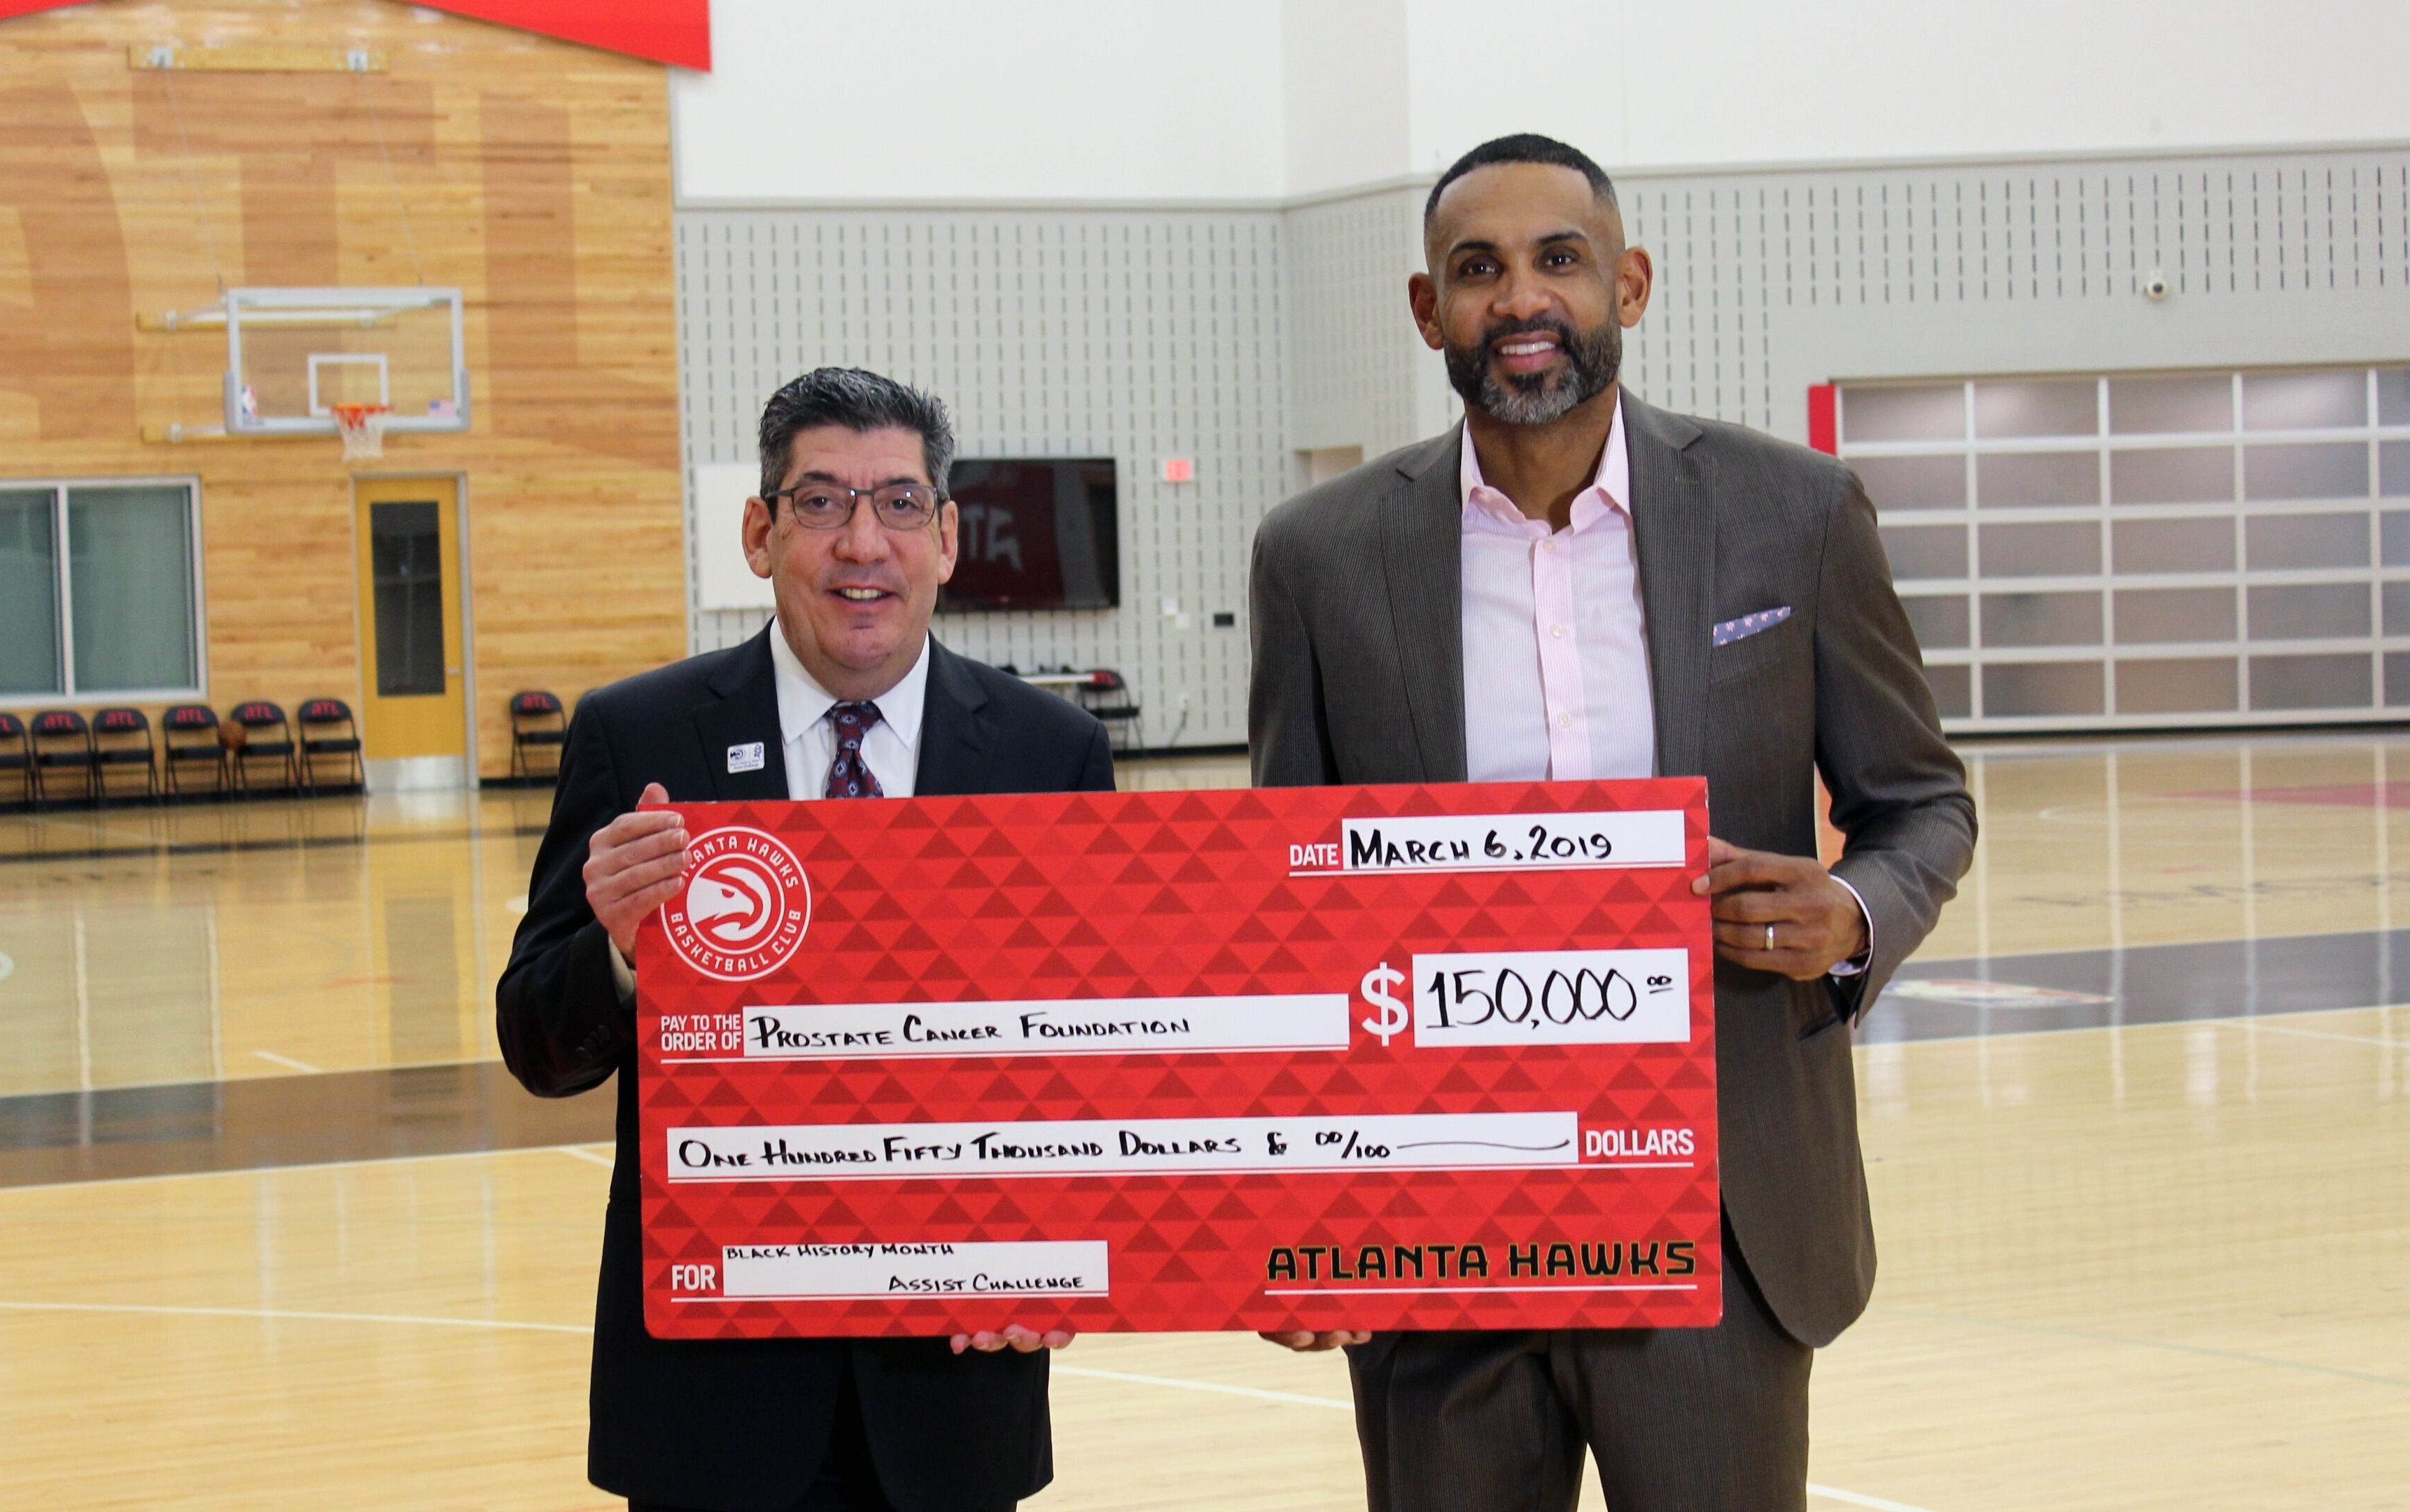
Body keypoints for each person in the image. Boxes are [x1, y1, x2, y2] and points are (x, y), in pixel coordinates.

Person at [1247, 134, 1976, 1511]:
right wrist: (1295, 1203)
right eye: (1480, 270)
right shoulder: (1321, 555)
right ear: (1429, 311)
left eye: (1559, 260)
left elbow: (1922, 802)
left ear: (1627, 284)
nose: (1522, 298)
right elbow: (1289, 904)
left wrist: (1854, 913)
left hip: (1716, 1206)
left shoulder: (1794, 512)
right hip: (1432, 1215)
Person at [500, 367, 1113, 1512]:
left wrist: (1073, 1247)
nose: (860, 543)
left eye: (895, 504)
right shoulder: (637, 737)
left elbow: (1102, 1054)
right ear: (759, 533)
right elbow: (539, 1044)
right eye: (821, 503)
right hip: (709, 1400)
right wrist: (622, 952)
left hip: (958, 1381)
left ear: (946, 536)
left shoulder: (1051, 753)